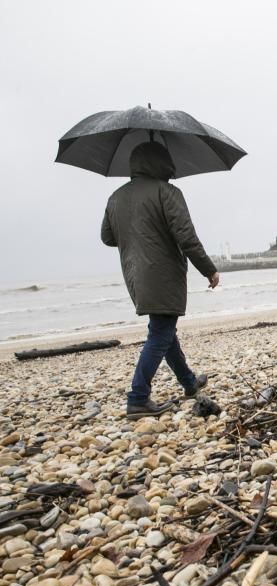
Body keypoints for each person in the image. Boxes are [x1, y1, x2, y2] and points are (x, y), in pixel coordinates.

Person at [101, 142, 220, 419]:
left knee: (164, 329)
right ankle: (138, 398)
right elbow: (186, 237)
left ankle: (189, 383)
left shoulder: (115, 197)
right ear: (163, 163)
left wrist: (136, 231)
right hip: (163, 272)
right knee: (161, 332)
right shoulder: (167, 192)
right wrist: (209, 270)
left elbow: (107, 237)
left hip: (134, 274)